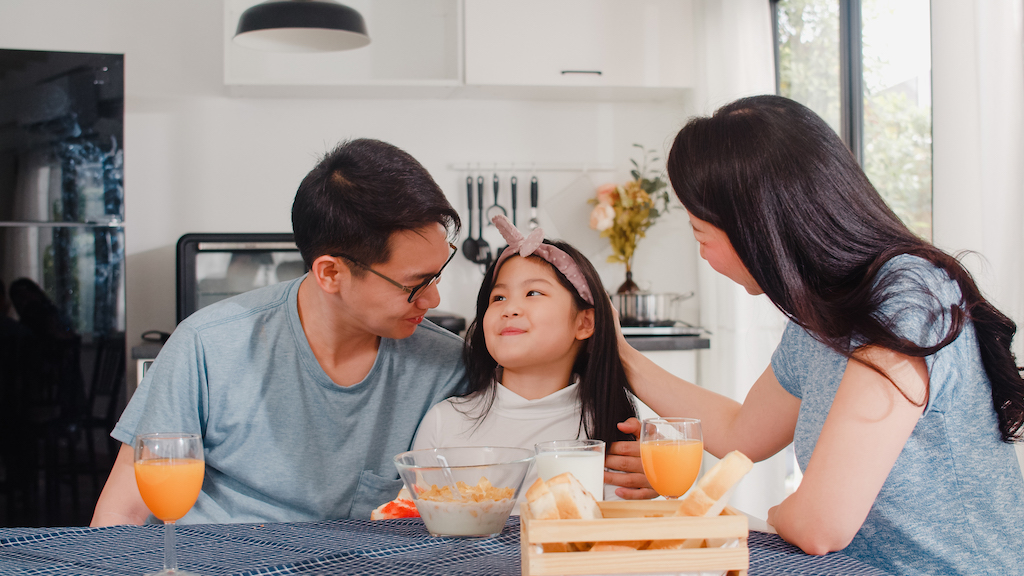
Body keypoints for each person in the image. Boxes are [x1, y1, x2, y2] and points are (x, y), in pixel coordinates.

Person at [615, 95, 1024, 575]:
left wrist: (771, 517)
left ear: (758, 227)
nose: (703, 254)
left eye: (701, 233)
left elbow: (819, 524)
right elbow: (740, 432)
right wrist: (620, 354)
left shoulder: (908, 299)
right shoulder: (822, 315)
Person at [91, 138, 468, 525]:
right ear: (331, 273)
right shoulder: (206, 345)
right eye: (414, 284)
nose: (434, 300)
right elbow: (125, 508)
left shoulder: (445, 366)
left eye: (438, 274)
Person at [413, 215, 655, 506]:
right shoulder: (444, 423)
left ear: (584, 323)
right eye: (498, 298)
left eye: (533, 292)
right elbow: (417, 529)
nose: (510, 308)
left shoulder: (611, 427)